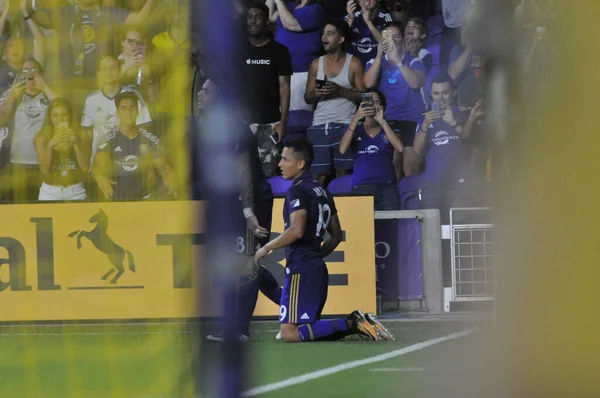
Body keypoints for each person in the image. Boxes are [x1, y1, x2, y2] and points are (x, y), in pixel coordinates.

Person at [254, 140, 394, 343]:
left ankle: (353, 322)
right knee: (307, 330)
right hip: (316, 267)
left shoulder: (297, 190)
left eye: (285, 159)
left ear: (300, 163)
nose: (280, 164)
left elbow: (296, 230)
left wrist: (266, 247)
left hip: (300, 267)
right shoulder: (323, 191)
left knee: (289, 333)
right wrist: (317, 255)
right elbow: (336, 234)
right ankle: (360, 325)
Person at [197, 78, 282, 343]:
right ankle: (291, 304)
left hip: (251, 201)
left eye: (208, 91)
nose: (200, 94)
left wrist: (248, 212)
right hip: (232, 202)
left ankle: (239, 330)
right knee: (243, 262)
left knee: (246, 263)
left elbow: (242, 170)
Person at [24, 0, 157, 88]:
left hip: (103, 86)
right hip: (69, 87)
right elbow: (35, 16)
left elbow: (139, 19)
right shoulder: (63, 13)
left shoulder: (110, 13)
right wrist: (25, 6)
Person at [413, 73, 484, 222]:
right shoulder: (425, 118)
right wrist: (425, 125)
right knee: (432, 235)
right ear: (431, 95)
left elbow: (469, 141)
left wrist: (453, 123)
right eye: (436, 93)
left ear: (454, 92)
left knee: (458, 234)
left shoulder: (465, 114)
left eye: (445, 92)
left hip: (460, 184)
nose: (441, 97)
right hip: (432, 184)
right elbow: (417, 149)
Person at [304, 19, 365, 186]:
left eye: (330, 34)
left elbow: (364, 97)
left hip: (345, 124)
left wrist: (340, 91)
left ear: (341, 39)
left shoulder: (354, 63)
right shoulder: (317, 64)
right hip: (319, 125)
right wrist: (316, 93)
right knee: (318, 177)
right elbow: (307, 98)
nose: (324, 37)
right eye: (323, 34)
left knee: (343, 174)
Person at [364, 22, 427, 178]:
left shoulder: (414, 61)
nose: (392, 40)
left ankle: (411, 199)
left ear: (403, 38)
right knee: (393, 163)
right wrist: (379, 55)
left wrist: (398, 62)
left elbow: (415, 83)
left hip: (412, 119)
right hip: (388, 119)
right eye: (388, 36)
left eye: (396, 36)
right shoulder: (374, 62)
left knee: (411, 168)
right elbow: (368, 84)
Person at [91, 91, 174, 201]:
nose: (128, 112)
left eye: (132, 108)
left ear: (137, 111)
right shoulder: (108, 141)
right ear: (117, 113)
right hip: (117, 200)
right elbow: (96, 166)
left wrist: (175, 188)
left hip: (144, 200)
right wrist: (100, 178)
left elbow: (165, 170)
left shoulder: (150, 140)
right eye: (124, 108)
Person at [241, 3, 292, 178]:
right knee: (242, 176)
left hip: (270, 124)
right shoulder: (238, 50)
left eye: (258, 17)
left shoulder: (279, 51)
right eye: (249, 17)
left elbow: (284, 88)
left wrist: (282, 123)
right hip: (242, 125)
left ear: (266, 21)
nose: (253, 21)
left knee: (268, 177)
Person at [0, 58, 57, 202]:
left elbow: (65, 110)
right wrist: (12, 97)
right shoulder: (11, 94)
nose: (29, 73)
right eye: (25, 70)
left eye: (34, 70)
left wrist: (45, 88)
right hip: (15, 164)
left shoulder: (49, 94)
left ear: (42, 74)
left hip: (44, 163)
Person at [267, 0, 327, 133]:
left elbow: (291, 24)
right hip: (280, 71)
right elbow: (269, 16)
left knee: (297, 121)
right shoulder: (291, 6)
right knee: (277, 118)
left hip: (301, 72)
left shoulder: (316, 9)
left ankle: (297, 149)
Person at [339, 89, 403, 210]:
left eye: (376, 101)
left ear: (382, 106)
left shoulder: (390, 128)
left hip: (387, 187)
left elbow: (400, 148)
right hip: (361, 186)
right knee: (362, 228)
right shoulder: (354, 128)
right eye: (368, 100)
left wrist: (382, 121)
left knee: (390, 226)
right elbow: (342, 150)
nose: (372, 104)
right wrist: (356, 118)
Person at [81, 55, 151, 164]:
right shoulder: (91, 100)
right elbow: (86, 135)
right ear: (98, 73)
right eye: (104, 69)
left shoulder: (134, 95)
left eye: (113, 68)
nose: (109, 73)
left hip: (129, 160)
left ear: (119, 71)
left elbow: (145, 130)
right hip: (101, 162)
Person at [34, 98, 90, 201]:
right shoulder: (41, 137)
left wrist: (76, 144)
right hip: (50, 192)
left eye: (65, 115)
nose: (60, 119)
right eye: (55, 115)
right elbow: (44, 170)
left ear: (70, 116)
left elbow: (85, 168)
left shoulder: (81, 134)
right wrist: (50, 144)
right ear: (50, 118)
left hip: (76, 191)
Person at [0, 0, 46, 91]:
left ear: (25, 50)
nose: (16, 48)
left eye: (19, 45)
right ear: (6, 51)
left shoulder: (31, 67)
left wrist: (25, 12)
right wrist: (6, 11)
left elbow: (40, 40)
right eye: (11, 45)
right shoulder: (1, 66)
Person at [344, 0, 393, 66]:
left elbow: (388, 44)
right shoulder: (350, 17)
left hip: (376, 66)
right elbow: (339, 40)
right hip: (352, 65)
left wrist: (368, 22)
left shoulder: (386, 17)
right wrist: (351, 18)